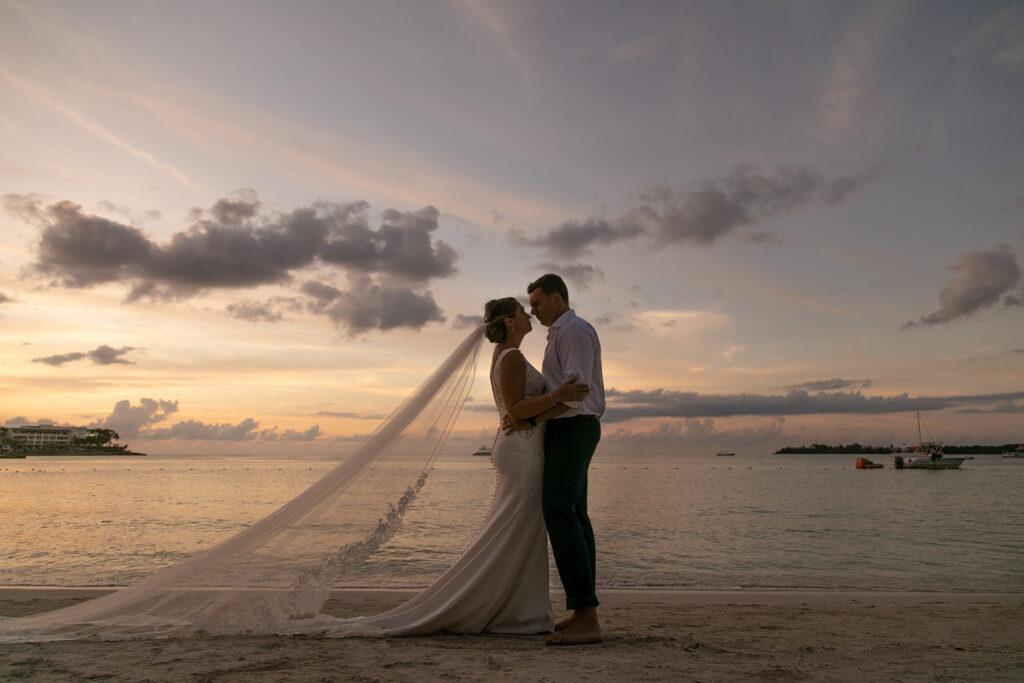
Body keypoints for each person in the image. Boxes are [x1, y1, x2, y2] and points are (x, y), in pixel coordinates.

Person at [299, 297, 589, 637]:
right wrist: (558, 398)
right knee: (513, 529)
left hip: (525, 448)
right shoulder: (510, 357)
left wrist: (546, 410)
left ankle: (520, 609)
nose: (528, 316)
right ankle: (509, 609)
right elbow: (515, 411)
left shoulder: (511, 356)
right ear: (510, 322)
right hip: (522, 454)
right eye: (522, 312)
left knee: (518, 530)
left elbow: (521, 413)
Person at [527, 273, 605, 645]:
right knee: (573, 514)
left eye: (538, 303)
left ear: (557, 298)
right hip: (567, 428)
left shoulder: (573, 331)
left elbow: (576, 390)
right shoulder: (559, 334)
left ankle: (587, 619)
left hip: (574, 427)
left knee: (559, 511)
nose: (534, 310)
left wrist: (535, 417)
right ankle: (582, 610)